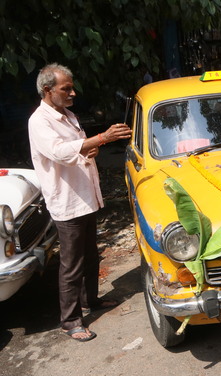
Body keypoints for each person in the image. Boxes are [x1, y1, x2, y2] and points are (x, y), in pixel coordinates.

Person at [28, 63, 132, 342]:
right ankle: (71, 320)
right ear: (48, 90)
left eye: (72, 87)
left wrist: (93, 147)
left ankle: (91, 300)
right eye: (66, 88)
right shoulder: (40, 121)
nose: (73, 93)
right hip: (67, 200)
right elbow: (59, 153)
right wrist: (102, 137)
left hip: (85, 195)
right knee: (71, 263)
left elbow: (78, 151)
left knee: (90, 255)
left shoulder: (68, 115)